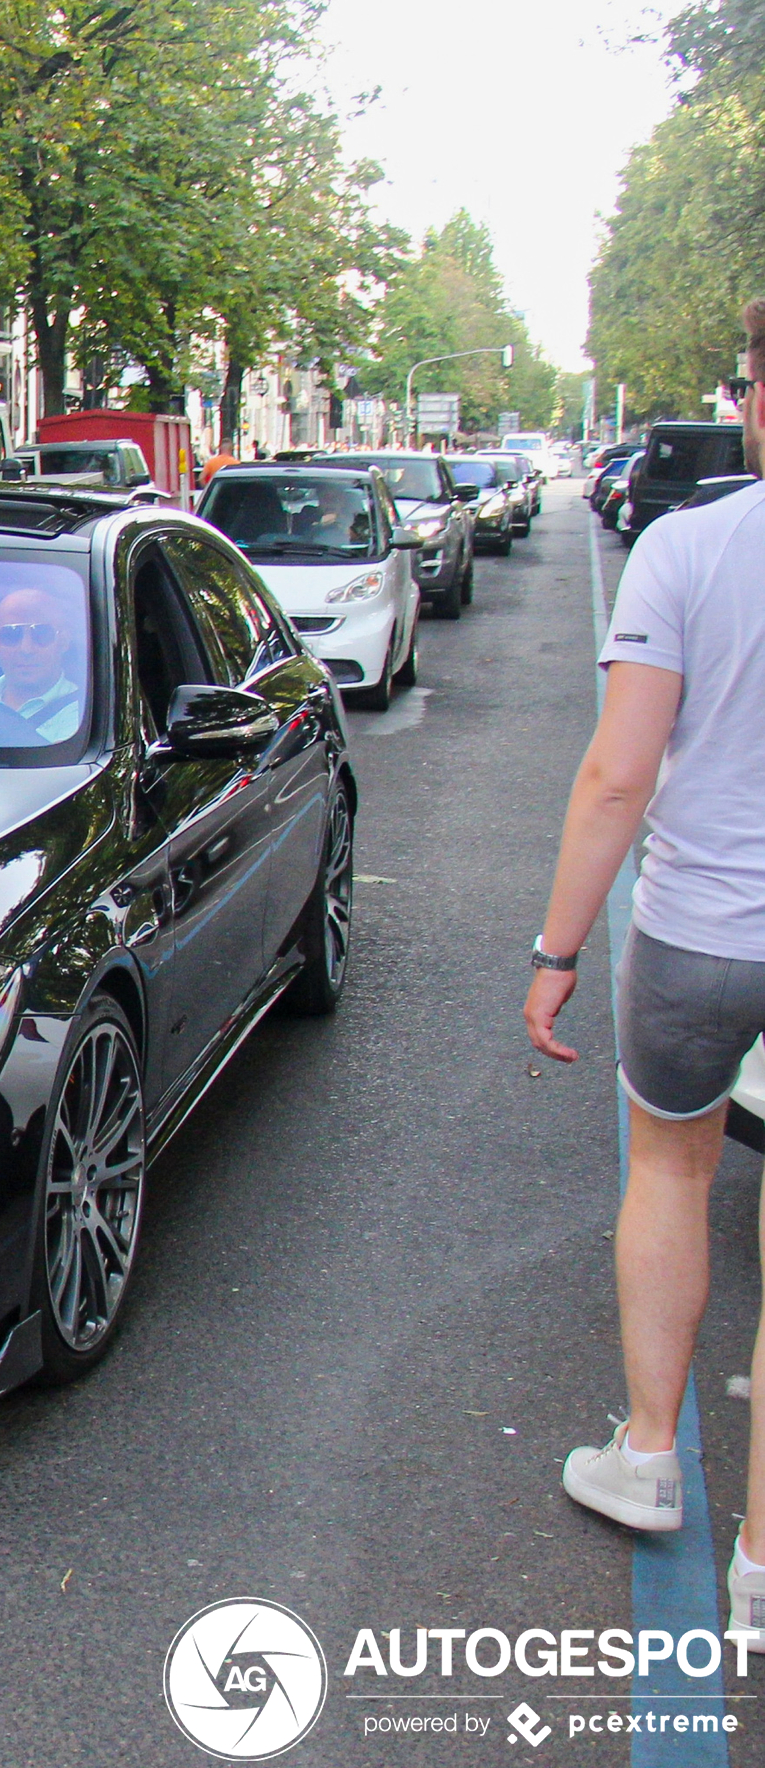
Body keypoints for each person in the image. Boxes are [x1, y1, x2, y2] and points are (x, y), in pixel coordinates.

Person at [531, 295, 765, 1632]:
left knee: (673, 1169)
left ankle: (652, 1457)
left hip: (696, 935)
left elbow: (620, 774)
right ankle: (762, 1572)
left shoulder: (686, 549)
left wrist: (557, 949)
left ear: (755, 397)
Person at [0, 587, 84, 739]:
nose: (26, 649)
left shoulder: (85, 715)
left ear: (64, 641)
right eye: (11, 635)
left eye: (41, 634)